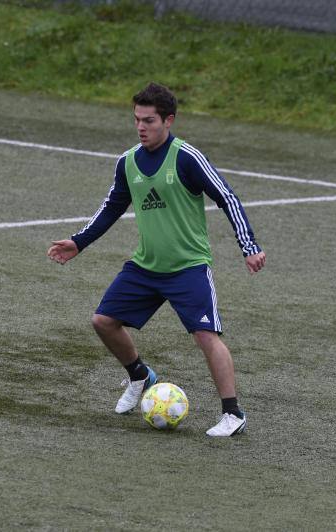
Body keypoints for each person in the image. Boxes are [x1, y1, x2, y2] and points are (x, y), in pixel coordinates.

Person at [48, 82, 266, 437]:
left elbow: (227, 197)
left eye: (148, 120)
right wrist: (79, 242)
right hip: (146, 266)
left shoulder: (187, 158)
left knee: (207, 336)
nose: (141, 127)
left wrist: (248, 245)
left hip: (188, 267)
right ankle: (139, 375)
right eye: (137, 120)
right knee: (103, 321)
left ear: (169, 120)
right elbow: (111, 208)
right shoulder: (128, 161)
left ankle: (233, 413)